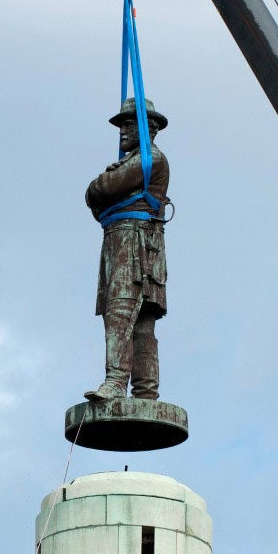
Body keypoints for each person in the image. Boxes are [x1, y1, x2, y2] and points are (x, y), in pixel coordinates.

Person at [83, 98, 170, 401]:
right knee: (139, 322)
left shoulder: (150, 159)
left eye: (129, 124)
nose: (122, 131)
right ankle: (146, 392)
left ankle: (116, 382)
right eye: (121, 125)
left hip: (134, 244)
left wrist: (100, 186)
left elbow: (102, 188)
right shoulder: (138, 160)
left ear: (148, 128)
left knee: (121, 313)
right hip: (127, 241)